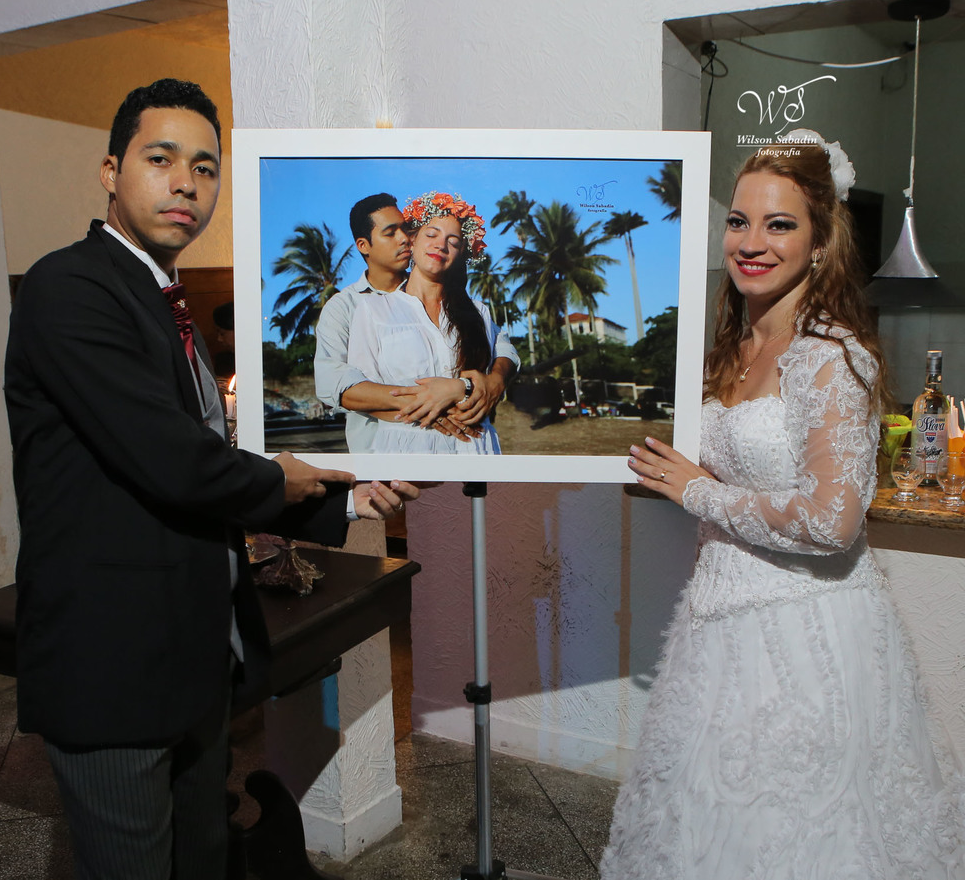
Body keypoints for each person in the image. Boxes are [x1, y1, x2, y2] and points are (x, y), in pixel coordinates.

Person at [4, 78, 419, 880]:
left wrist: (350, 496)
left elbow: (200, 459)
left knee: (202, 856)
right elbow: (175, 461)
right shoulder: (70, 288)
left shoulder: (165, 299)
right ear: (110, 169)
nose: (186, 183)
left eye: (205, 166)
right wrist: (293, 481)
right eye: (161, 159)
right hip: (114, 666)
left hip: (192, 656)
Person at [605, 132, 964, 877]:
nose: (752, 242)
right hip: (714, 623)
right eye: (739, 221)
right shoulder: (729, 345)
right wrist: (661, 465)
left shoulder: (831, 355)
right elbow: (728, 471)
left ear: (821, 238)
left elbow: (833, 521)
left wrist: (696, 489)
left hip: (805, 635)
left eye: (779, 224)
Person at [314, 192, 517, 452]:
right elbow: (337, 385)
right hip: (384, 448)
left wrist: (494, 381)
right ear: (364, 245)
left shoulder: (449, 294)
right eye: (390, 233)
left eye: (406, 229)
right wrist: (434, 402)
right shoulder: (348, 307)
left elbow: (501, 346)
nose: (403, 239)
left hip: (468, 446)